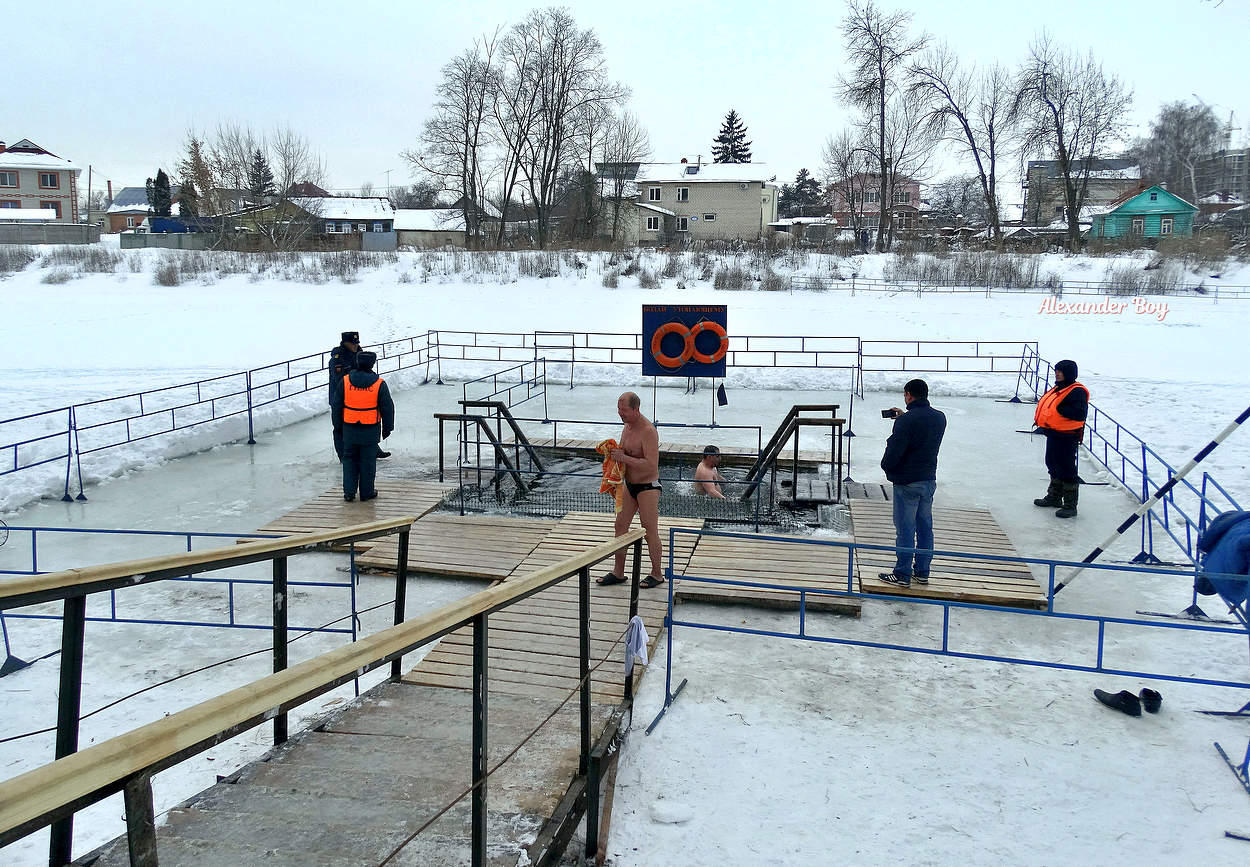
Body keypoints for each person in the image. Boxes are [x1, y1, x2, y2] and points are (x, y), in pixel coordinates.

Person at [878, 379, 947, 588]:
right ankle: (922, 571)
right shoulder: (939, 418)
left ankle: (902, 574)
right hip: (928, 480)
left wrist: (887, 467)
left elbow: (895, 451)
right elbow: (921, 431)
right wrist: (904, 417)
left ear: (908, 395)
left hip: (907, 482)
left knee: (905, 529)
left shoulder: (906, 422)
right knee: (925, 527)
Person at [596, 392, 665, 589]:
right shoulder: (627, 427)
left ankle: (657, 574)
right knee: (620, 525)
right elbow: (626, 453)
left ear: (636, 409)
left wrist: (624, 458)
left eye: (624, 410)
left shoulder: (648, 431)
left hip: (648, 486)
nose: (620, 414)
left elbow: (651, 465)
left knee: (649, 529)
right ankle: (618, 572)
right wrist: (613, 453)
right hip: (630, 484)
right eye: (619, 410)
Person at [330, 351, 394, 502]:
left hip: (349, 429)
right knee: (367, 462)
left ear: (358, 362)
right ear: (372, 364)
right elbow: (387, 407)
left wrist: (338, 427)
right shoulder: (379, 384)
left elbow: (337, 406)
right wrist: (387, 428)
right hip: (370, 431)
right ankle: (367, 493)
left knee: (349, 460)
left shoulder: (346, 382)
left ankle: (349, 492)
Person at [1032, 359, 1089, 519]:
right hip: (1053, 434)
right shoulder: (1059, 388)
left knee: (1067, 469)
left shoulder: (1077, 391)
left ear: (1069, 373)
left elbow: (1079, 413)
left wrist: (1061, 409)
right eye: (1056, 370)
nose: (1057, 373)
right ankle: (1054, 497)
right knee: (1052, 464)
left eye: (1060, 371)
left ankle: (1070, 505)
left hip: (1067, 436)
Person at [329, 331, 390, 460]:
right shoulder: (337, 358)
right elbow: (339, 379)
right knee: (340, 428)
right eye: (353, 343)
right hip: (341, 398)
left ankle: (374, 449)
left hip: (358, 397)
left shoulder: (360, 354)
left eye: (357, 343)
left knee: (365, 424)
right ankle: (343, 456)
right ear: (345, 343)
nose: (355, 346)